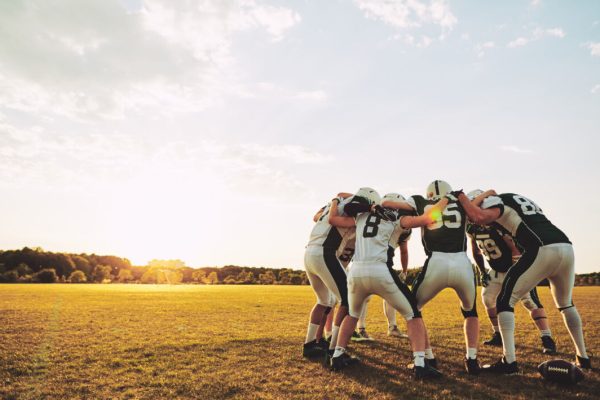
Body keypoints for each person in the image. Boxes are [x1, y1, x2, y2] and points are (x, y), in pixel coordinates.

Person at [457, 190, 591, 373]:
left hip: (540, 248)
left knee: (504, 302)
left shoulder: (496, 202)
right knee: (566, 304)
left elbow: (477, 216)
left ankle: (509, 362)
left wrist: (461, 197)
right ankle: (583, 357)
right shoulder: (517, 199)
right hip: (565, 246)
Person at [330, 192, 447, 379]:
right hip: (380, 270)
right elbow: (428, 218)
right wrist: (445, 201)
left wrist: (340, 202)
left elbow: (334, 219)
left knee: (353, 313)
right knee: (413, 314)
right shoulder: (398, 218)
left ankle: (337, 355)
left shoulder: (361, 216)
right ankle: (419, 363)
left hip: (356, 272)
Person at [383, 181, 494, 375]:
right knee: (470, 312)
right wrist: (488, 193)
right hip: (462, 262)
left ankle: (427, 357)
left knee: (413, 310)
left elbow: (390, 204)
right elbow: (477, 204)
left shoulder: (420, 202)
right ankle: (472, 359)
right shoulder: (461, 203)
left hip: (436, 261)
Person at [466, 190, 557, 354]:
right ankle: (498, 334)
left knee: (530, 301)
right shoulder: (472, 227)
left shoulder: (497, 222)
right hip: (495, 269)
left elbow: (514, 249)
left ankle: (547, 338)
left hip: (514, 267)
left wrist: (517, 271)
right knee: (488, 299)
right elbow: (476, 250)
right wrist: (481, 271)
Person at [302, 192, 355, 358]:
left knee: (324, 301)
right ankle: (335, 349)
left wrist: (336, 200)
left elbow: (318, 215)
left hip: (309, 253)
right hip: (325, 253)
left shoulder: (330, 207)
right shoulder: (347, 211)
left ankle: (310, 344)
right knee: (348, 300)